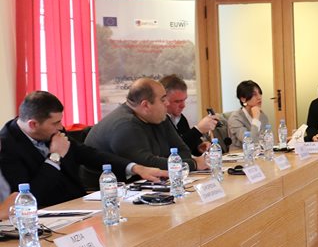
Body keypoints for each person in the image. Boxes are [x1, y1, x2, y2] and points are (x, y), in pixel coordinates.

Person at [1, 91, 167, 207]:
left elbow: (89, 154)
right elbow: (27, 196)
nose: (61, 127)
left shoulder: (52, 131)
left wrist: (136, 168)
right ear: (33, 124)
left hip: (79, 205)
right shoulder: (7, 147)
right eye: (55, 123)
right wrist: (55, 157)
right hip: (46, 215)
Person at [85, 78, 205, 171]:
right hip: (106, 189)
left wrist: (182, 163)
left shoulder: (157, 116)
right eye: (163, 100)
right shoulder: (124, 125)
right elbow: (146, 165)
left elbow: (183, 151)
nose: (167, 103)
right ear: (146, 105)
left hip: (147, 184)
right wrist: (193, 164)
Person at [160, 75, 219, 156]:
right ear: (163, 100)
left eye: (184, 100)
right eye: (177, 101)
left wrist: (198, 148)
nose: (183, 105)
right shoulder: (160, 121)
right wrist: (198, 129)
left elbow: (186, 145)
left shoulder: (181, 118)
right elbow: (174, 149)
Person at [226, 80, 271, 151]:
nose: (259, 97)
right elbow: (250, 142)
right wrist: (255, 119)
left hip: (260, 154)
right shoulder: (235, 118)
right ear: (243, 99)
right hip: (240, 155)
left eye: (260, 93)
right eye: (254, 94)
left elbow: (268, 141)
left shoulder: (262, 116)